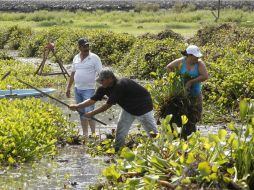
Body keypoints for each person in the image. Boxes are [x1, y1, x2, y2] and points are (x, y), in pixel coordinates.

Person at [69, 69, 158, 151]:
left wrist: (91, 113)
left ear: (110, 78)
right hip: (128, 109)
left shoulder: (120, 85)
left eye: (102, 80)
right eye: (100, 80)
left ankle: (161, 151)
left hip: (143, 107)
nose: (100, 82)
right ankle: (118, 151)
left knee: (153, 134)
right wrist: (78, 106)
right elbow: (93, 99)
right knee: (120, 131)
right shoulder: (103, 87)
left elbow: (107, 105)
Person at [165, 45, 208, 139]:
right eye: (195, 56)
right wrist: (174, 79)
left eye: (198, 56)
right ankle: (177, 137)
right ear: (189, 55)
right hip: (181, 95)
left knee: (193, 118)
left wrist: (191, 81)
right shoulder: (181, 61)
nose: (197, 58)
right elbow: (168, 67)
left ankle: (190, 137)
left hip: (195, 95)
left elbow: (205, 76)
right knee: (178, 117)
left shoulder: (200, 63)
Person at [66, 38, 102, 137]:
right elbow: (73, 73)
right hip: (77, 89)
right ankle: (85, 134)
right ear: (79, 47)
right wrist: (68, 88)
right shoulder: (76, 58)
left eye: (87, 46)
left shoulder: (94, 58)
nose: (86, 48)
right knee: (81, 112)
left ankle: (94, 133)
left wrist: (104, 90)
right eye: (84, 46)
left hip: (89, 90)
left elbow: (101, 74)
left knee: (89, 112)